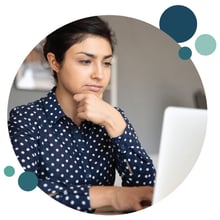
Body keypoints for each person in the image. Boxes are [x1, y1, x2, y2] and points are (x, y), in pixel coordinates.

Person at [8, 16, 156, 213]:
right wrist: (113, 195)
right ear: (54, 62)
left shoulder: (113, 117)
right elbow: (19, 191)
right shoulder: (26, 119)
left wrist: (116, 124)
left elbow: (147, 192)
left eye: (107, 63)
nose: (99, 75)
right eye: (85, 61)